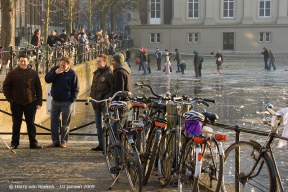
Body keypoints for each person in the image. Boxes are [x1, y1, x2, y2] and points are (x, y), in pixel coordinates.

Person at [2, 55, 43, 149]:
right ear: (18, 62)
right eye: (21, 61)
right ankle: (15, 142)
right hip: (16, 102)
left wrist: (39, 102)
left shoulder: (33, 73)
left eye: (24, 61)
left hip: (30, 102)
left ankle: (33, 142)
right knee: (16, 123)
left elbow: (38, 88)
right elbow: (5, 86)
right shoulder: (12, 73)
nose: (22, 63)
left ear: (28, 62)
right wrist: (10, 99)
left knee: (31, 123)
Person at [45, 56, 80, 148]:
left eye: (64, 66)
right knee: (54, 122)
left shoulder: (72, 74)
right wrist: (55, 73)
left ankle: (63, 141)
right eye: (60, 65)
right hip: (55, 101)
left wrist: (71, 100)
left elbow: (76, 88)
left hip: (66, 102)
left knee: (65, 123)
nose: (62, 67)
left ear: (68, 65)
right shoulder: (55, 70)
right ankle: (55, 141)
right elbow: (47, 79)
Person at [90, 54, 113, 151]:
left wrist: (105, 98)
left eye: (99, 61)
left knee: (108, 124)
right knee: (98, 125)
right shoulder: (96, 73)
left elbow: (112, 89)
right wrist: (91, 96)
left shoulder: (109, 74)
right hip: (95, 101)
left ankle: (110, 145)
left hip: (104, 103)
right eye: (97, 61)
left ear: (105, 62)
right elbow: (93, 87)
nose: (97, 63)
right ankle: (101, 145)